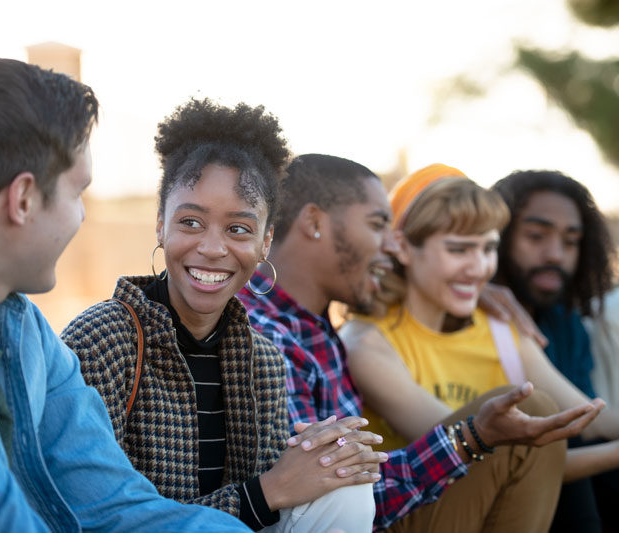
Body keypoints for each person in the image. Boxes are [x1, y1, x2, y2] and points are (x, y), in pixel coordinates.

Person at [61, 98, 384, 532]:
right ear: (160, 224)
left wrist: (327, 455)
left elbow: (282, 496)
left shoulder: (263, 360)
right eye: (191, 222)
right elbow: (96, 515)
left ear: (265, 242)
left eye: (238, 229)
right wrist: (266, 492)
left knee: (342, 482)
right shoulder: (103, 339)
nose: (213, 249)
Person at [238, 155, 603, 532]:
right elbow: (329, 500)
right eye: (379, 225)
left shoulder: (313, 329)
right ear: (314, 222)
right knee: (534, 412)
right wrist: (473, 436)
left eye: (486, 248)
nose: (391, 246)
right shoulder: (269, 336)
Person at [0, 58, 249, 532]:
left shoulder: (25, 333)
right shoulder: (100, 335)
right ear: (23, 200)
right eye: (77, 191)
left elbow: (114, 505)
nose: (81, 216)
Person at [339, 164, 618, 532]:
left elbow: (591, 416)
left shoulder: (500, 329)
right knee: (535, 410)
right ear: (404, 248)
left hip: (489, 509)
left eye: (489, 249)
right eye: (459, 249)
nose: (478, 267)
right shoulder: (368, 343)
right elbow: (483, 457)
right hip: (408, 515)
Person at [492, 170, 619, 531]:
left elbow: (588, 426)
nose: (555, 254)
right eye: (536, 236)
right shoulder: (474, 317)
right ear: (498, 235)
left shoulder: (564, 321)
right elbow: (584, 419)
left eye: (571, 241)